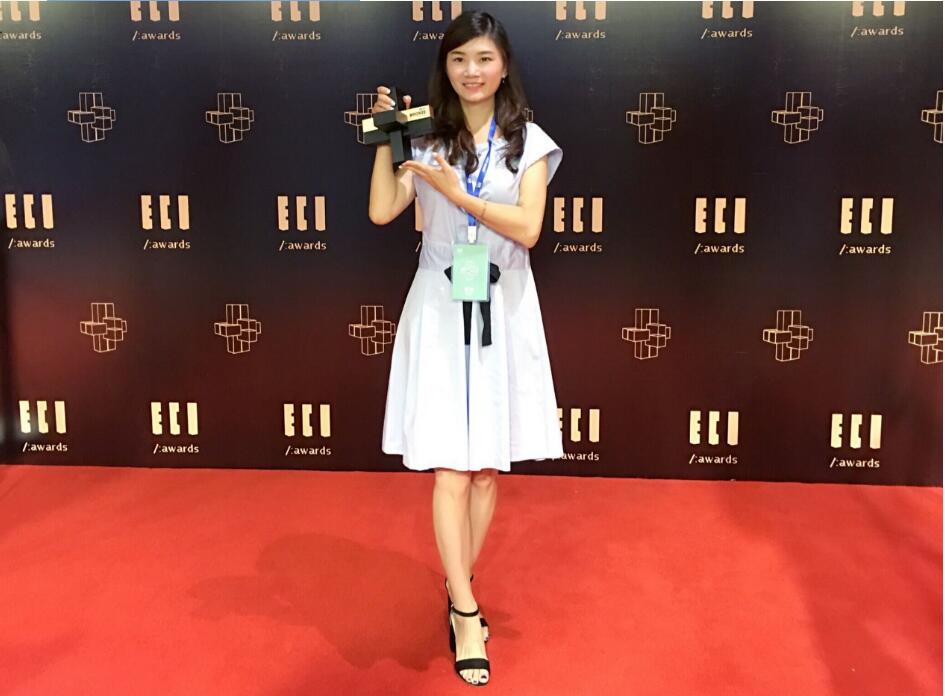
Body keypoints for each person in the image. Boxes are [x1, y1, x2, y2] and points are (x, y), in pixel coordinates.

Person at [368, 10, 564, 687]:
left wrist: (460, 196)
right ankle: (464, 609)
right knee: (450, 468)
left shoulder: (528, 143)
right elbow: (383, 210)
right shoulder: (426, 138)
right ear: (445, 69)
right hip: (440, 303)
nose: (471, 71)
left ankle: (458, 579)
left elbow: (529, 229)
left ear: (502, 66)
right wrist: (388, 137)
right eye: (458, 60)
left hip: (503, 307)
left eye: (482, 58)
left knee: (484, 471)